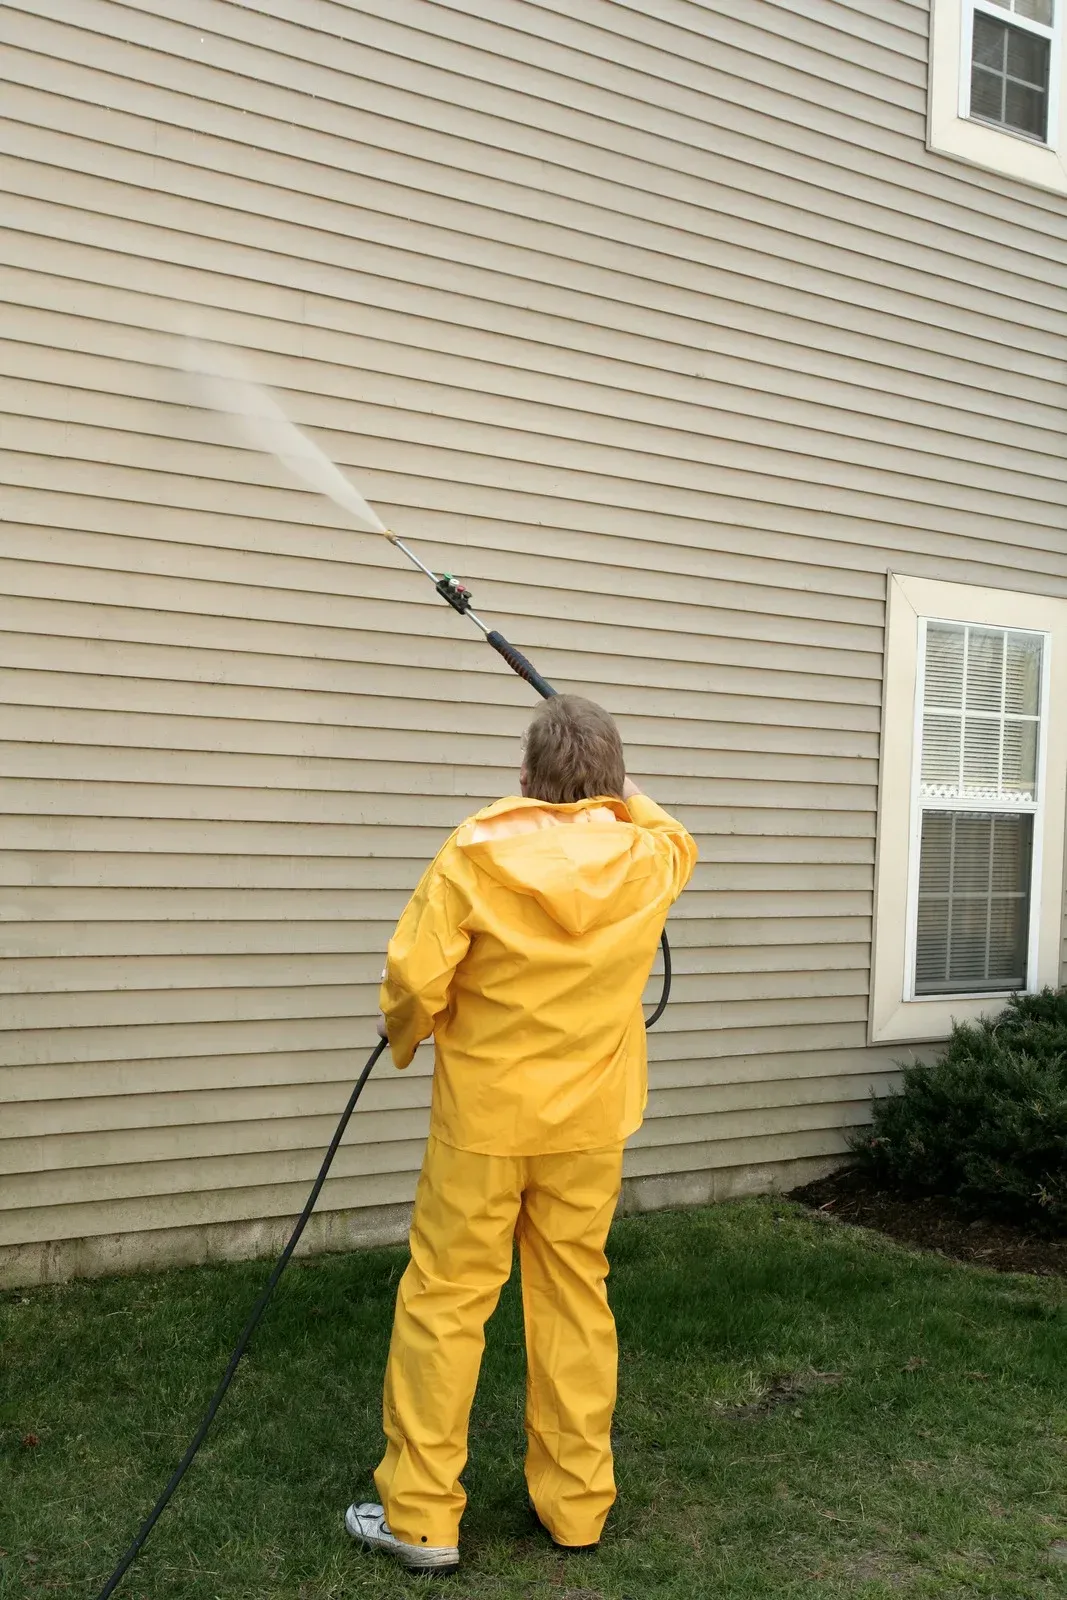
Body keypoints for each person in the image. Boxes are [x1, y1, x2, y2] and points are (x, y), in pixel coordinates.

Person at [345, 693, 697, 1574]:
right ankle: (575, 1510)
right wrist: (618, 793)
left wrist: (408, 1034)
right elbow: (670, 830)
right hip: (589, 1127)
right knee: (575, 1296)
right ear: (615, 784)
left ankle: (422, 1519)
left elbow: (412, 976)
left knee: (446, 1300)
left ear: (525, 781)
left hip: (486, 1122)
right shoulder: (649, 855)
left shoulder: (475, 850)